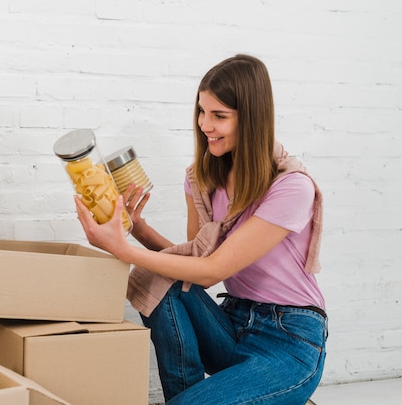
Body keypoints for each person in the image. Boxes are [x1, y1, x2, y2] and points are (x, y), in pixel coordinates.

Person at [74, 54, 327, 404]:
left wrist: (121, 249)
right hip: (232, 324)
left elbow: (214, 271)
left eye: (219, 116)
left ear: (252, 120)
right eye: (202, 111)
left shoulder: (291, 187)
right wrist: (136, 230)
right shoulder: (203, 178)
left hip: (289, 340)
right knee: (160, 279)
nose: (205, 124)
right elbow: (196, 259)